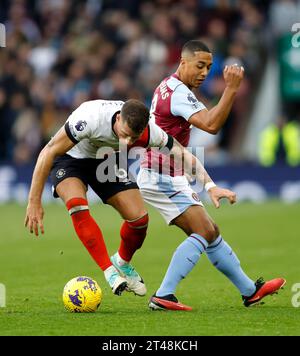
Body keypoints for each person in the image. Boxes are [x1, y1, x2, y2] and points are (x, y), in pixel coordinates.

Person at [24, 98, 234, 299]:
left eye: (133, 138)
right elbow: (48, 152)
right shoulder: (90, 119)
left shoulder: (150, 132)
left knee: (139, 219)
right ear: (117, 120)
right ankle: (109, 272)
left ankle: (122, 262)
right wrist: (34, 201)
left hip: (103, 160)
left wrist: (210, 186)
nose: (127, 142)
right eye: (124, 134)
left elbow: (183, 154)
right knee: (77, 206)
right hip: (70, 159)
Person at [137, 40, 285, 310]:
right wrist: (231, 89)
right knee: (204, 232)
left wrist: (210, 185)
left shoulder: (168, 85)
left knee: (211, 232)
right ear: (183, 63)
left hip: (169, 172)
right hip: (160, 174)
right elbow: (211, 124)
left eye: (209, 67)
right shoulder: (179, 92)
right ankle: (163, 294)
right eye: (200, 65)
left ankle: (250, 291)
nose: (205, 72)